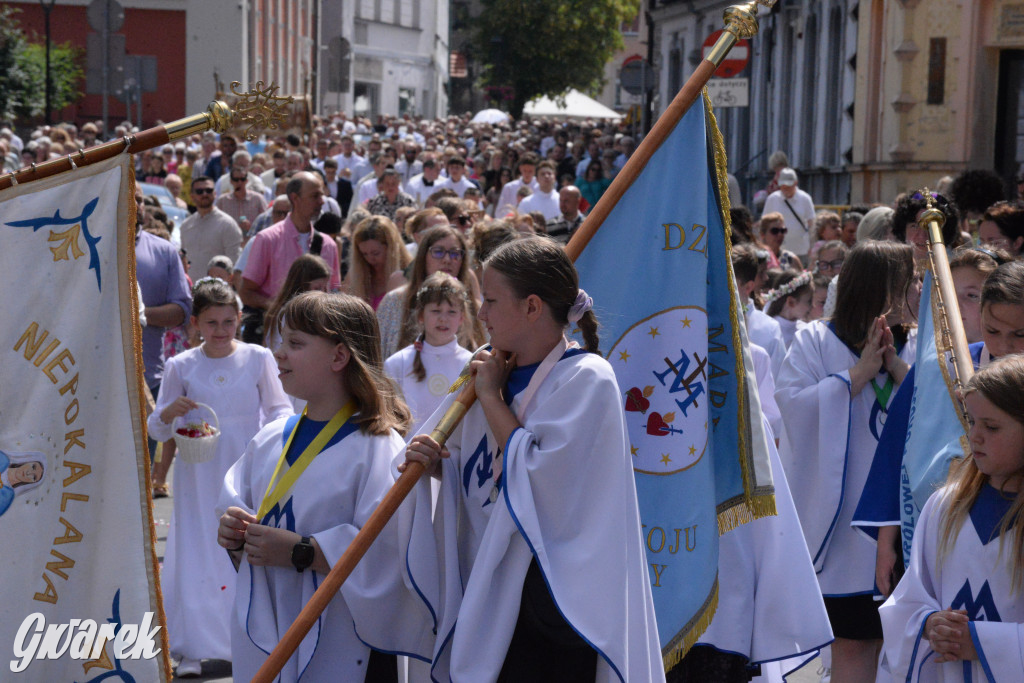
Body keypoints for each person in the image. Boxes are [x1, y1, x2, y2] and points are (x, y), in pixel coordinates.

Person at [400, 238, 664, 682]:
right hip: (487, 587)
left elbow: (541, 481)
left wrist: (490, 399)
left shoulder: (586, 379)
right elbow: (477, 471)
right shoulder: (488, 371)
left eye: (491, 300)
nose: (480, 314)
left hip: (552, 605)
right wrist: (438, 464)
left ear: (533, 307)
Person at [216, 291, 432, 683]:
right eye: (281, 341)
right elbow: (241, 505)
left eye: (296, 343)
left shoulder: (379, 449)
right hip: (275, 623)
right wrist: (234, 532)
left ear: (339, 357)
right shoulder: (269, 439)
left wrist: (304, 552)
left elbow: (391, 554)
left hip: (348, 644)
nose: (279, 353)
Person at [775, 240, 917, 683]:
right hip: (840, 534)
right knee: (853, 646)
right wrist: (854, 378)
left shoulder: (914, 345)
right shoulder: (816, 340)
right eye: (908, 280)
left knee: (890, 646)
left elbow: (939, 414)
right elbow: (792, 409)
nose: (917, 288)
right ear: (882, 288)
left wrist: (896, 371)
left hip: (900, 523)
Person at [147, 278, 292, 678]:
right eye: (212, 322)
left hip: (245, 466)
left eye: (229, 321)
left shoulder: (258, 357)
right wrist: (170, 412)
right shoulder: (181, 365)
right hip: (198, 470)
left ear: (240, 320)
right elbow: (157, 430)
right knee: (196, 551)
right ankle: (190, 646)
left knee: (240, 551)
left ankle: (241, 642)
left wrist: (263, 443)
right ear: (195, 323)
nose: (221, 330)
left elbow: (280, 410)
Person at [879, 355, 1024, 682]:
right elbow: (907, 603)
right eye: (972, 421)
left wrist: (983, 643)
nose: (975, 437)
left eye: (992, 426)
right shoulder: (944, 507)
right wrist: (929, 624)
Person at [240, 172, 342, 342]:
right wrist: (281, 308)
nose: (322, 201)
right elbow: (246, 291)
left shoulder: (328, 245)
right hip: (277, 339)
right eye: (315, 195)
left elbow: (335, 292)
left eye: (322, 195)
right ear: (295, 198)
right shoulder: (267, 239)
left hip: (316, 339)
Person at [384, 272, 474, 435]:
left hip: (452, 458)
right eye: (436, 310)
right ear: (420, 315)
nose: (443, 319)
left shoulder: (470, 364)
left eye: (451, 312)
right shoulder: (397, 363)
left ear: (462, 317)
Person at [377, 224, 483, 358]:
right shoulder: (394, 301)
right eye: (438, 252)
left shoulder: (475, 309)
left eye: (455, 253)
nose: (447, 260)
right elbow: (377, 356)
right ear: (423, 256)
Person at [263, 254, 332, 352]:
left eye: (326, 287)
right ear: (301, 286)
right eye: (317, 288)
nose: (324, 293)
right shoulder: (287, 315)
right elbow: (278, 349)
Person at [179, 176, 243, 277]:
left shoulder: (227, 224)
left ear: (215, 193)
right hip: (191, 289)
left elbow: (235, 263)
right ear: (192, 196)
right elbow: (183, 261)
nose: (205, 194)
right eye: (199, 191)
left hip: (216, 290)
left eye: (208, 190)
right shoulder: (186, 226)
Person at [345, 215, 410, 310]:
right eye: (364, 254)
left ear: (391, 249)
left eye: (375, 253)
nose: (370, 259)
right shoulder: (355, 276)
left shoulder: (408, 274)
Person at [762, 167, 816, 260]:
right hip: (777, 250)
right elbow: (764, 223)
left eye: (788, 186)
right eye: (783, 186)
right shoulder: (773, 199)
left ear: (795, 183)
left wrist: (812, 246)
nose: (785, 188)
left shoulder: (805, 198)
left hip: (801, 250)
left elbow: (812, 224)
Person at [764, 269, 813, 349]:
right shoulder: (769, 332)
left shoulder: (806, 330)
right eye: (809, 301)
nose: (812, 305)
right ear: (791, 302)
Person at [0, 451, 45, 518]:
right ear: (28, 461)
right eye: (33, 466)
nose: (29, 473)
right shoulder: (3, 459)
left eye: (34, 477)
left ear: (31, 483)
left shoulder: (7, 495)